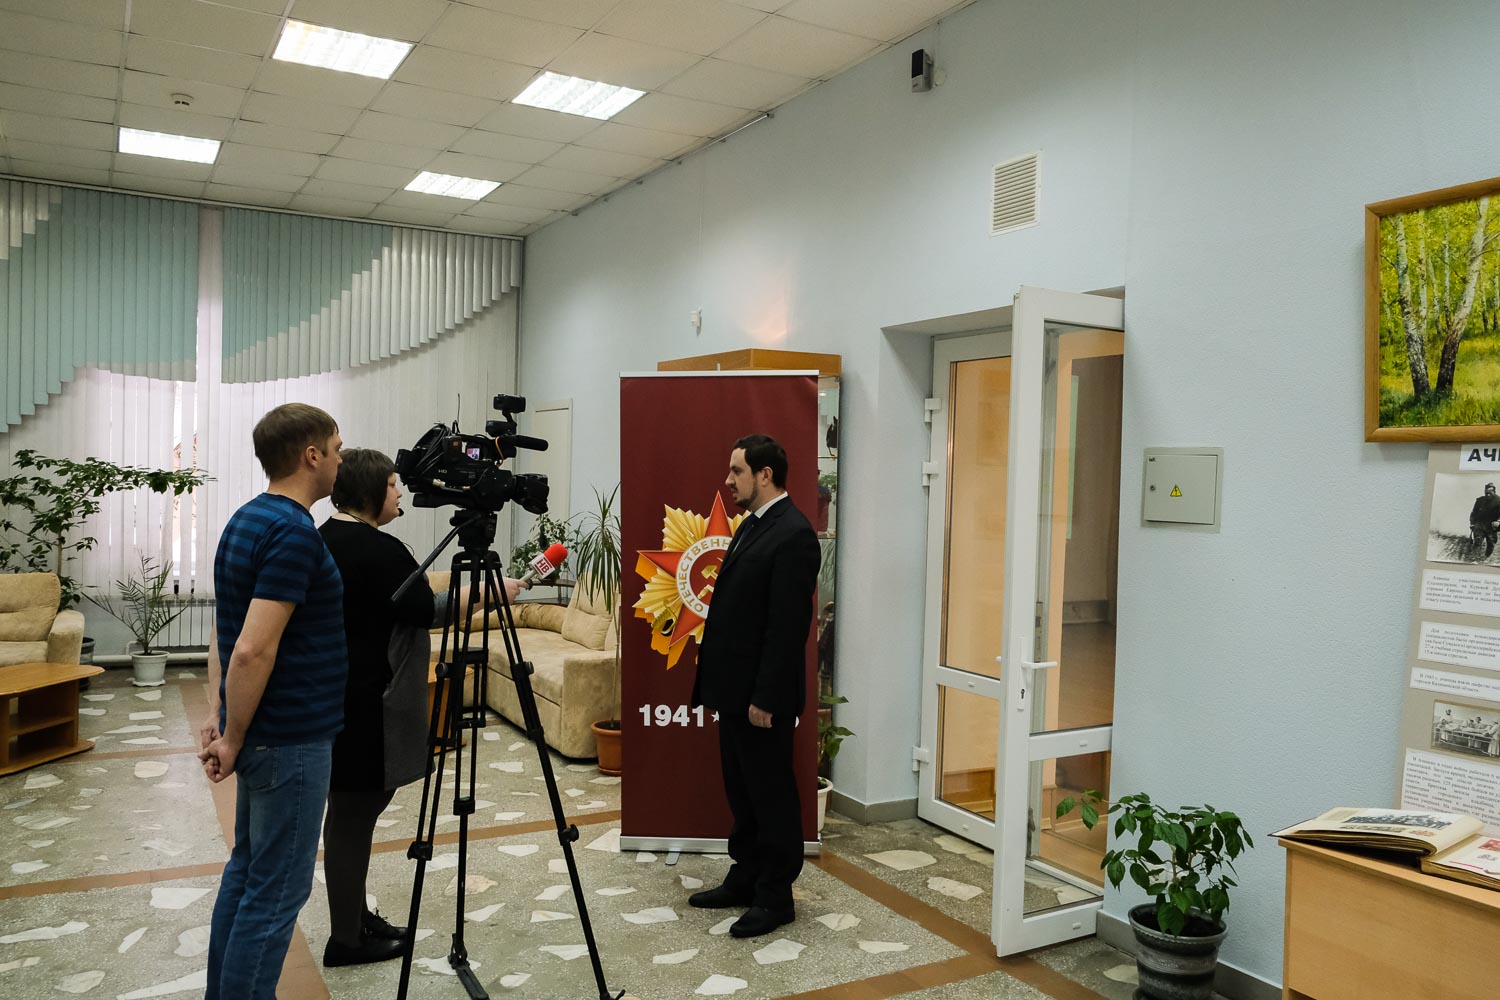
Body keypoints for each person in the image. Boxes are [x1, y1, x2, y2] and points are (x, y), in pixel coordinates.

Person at [316, 449, 527, 967]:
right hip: (371, 701)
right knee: (355, 816)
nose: (400, 494)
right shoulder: (378, 549)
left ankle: (352, 918)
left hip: (338, 693)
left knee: (347, 814)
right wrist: (490, 592)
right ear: (371, 491)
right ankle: (347, 939)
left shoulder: (326, 538)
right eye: (393, 485)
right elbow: (425, 610)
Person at [198, 403, 346, 1000]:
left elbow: (225, 633)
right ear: (311, 455)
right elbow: (250, 650)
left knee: (248, 875)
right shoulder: (292, 533)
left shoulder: (247, 518)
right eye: (336, 449)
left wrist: (222, 718)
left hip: (265, 736)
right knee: (276, 893)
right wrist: (230, 735)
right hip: (290, 741)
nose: (340, 460)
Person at [688, 434, 822, 938]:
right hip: (735, 694)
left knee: (770, 796)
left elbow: (787, 629)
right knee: (742, 792)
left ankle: (775, 896)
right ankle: (745, 877)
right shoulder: (752, 524)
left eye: (737, 471)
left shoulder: (794, 534)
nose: (728, 480)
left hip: (762, 700)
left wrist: (765, 698)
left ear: (765, 474)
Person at [1470, 482, 1500, 557]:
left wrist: (1498, 521)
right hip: (1479, 525)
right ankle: (1474, 559)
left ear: (1494, 491)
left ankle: (1487, 557)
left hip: (1492, 527)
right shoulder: (1480, 500)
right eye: (1486, 493)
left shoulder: (1499, 501)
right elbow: (1474, 513)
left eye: (1490, 492)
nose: (1488, 494)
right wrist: (1472, 523)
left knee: (1491, 544)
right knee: (1477, 542)